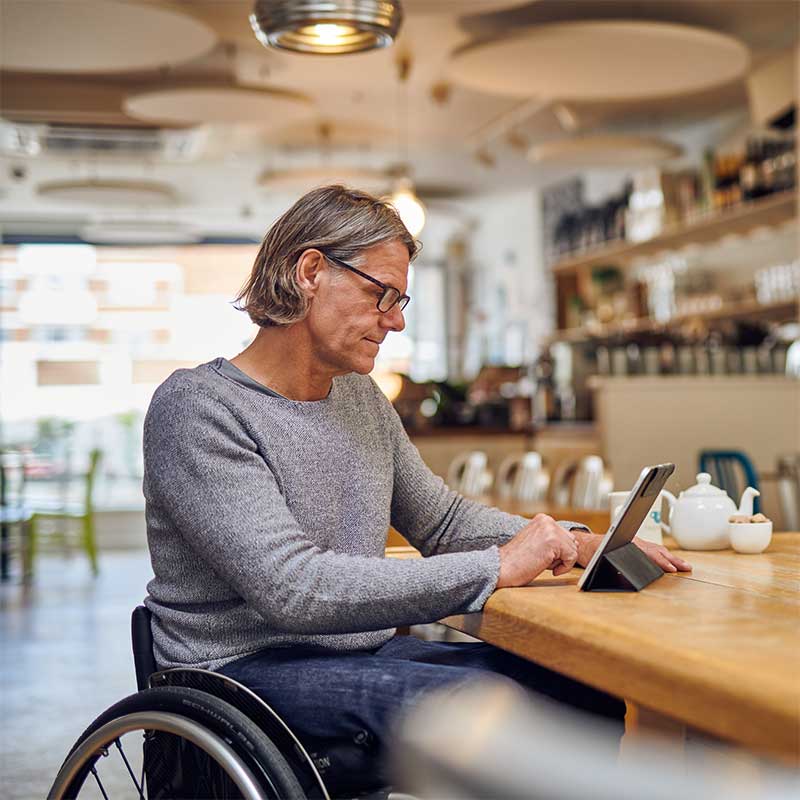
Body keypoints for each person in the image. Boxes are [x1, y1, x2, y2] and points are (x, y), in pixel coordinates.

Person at [142, 185, 691, 793]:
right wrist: (496, 567)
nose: (397, 321)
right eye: (383, 295)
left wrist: (573, 542)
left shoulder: (359, 398)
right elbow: (293, 589)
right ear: (310, 272)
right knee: (488, 708)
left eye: (400, 301)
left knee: (577, 685)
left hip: (352, 658)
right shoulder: (197, 408)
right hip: (240, 674)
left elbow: (443, 522)